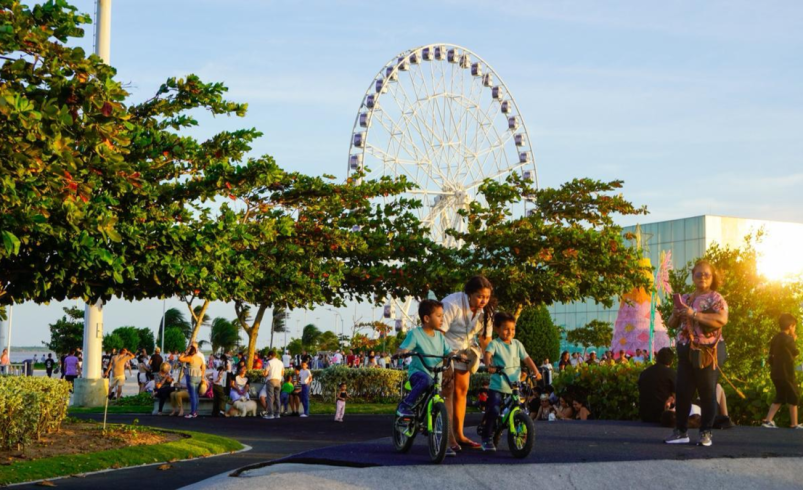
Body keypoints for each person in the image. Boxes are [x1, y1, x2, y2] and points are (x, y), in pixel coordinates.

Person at [665, 260, 729, 447]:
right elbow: (671, 323)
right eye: (698, 274)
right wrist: (678, 313)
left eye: (706, 274)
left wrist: (694, 314)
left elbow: (722, 319)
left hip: (707, 351)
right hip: (686, 349)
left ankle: (705, 432)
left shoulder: (716, 298)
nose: (702, 277)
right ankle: (681, 431)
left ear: (712, 277)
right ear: (693, 276)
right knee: (683, 391)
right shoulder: (686, 297)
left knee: (707, 391)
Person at [439, 276, 494, 451]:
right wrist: (446, 364)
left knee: (462, 390)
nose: (483, 300)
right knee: (448, 389)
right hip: (443, 346)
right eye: (479, 296)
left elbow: (486, 339)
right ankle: (448, 438)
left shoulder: (487, 312)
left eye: (486, 297)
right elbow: (438, 334)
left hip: (465, 350)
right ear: (469, 293)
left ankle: (459, 434)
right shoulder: (452, 304)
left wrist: (491, 362)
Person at [395, 299, 456, 455]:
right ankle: (406, 405)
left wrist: (455, 356)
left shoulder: (441, 338)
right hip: (418, 375)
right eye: (439, 316)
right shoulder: (415, 334)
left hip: (436, 377)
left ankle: (442, 444)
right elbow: (404, 347)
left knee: (439, 403)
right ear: (427, 318)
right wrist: (402, 352)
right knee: (426, 380)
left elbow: (448, 351)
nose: (442, 319)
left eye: (443, 316)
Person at [480, 312, 540, 451]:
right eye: (506, 329)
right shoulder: (495, 344)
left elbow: (527, 359)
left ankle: (509, 430)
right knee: (494, 410)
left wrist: (536, 372)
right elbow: (488, 354)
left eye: (513, 329)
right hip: (498, 386)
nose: (510, 332)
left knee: (518, 407)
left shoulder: (517, 344)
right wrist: (489, 365)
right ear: (497, 329)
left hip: (513, 386)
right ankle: (486, 437)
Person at [761, 313, 802, 429]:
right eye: (794, 326)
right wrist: (793, 338)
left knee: (780, 396)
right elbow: (796, 353)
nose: (794, 329)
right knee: (794, 396)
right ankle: (794, 424)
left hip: (776, 373)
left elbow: (771, 355)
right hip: (786, 373)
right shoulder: (788, 339)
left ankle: (768, 421)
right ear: (790, 326)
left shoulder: (775, 338)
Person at [638, 347, 676, 423]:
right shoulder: (671, 373)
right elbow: (678, 394)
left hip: (645, 415)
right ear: (671, 361)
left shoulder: (645, 373)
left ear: (657, 358)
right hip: (664, 416)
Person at [179, 345, 205, 419]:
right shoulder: (200, 358)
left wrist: (184, 352)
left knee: (192, 395)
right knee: (196, 395)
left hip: (191, 377)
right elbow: (203, 368)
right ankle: (195, 412)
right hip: (198, 377)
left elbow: (180, 359)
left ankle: (192, 412)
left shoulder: (190, 358)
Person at [260, 350, 284, 419]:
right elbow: (282, 373)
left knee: (270, 398)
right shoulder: (281, 363)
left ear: (270, 356)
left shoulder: (269, 362)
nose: (268, 357)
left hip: (270, 380)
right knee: (277, 397)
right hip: (278, 381)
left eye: (268, 356)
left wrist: (263, 374)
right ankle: (277, 414)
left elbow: (266, 373)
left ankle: (270, 414)